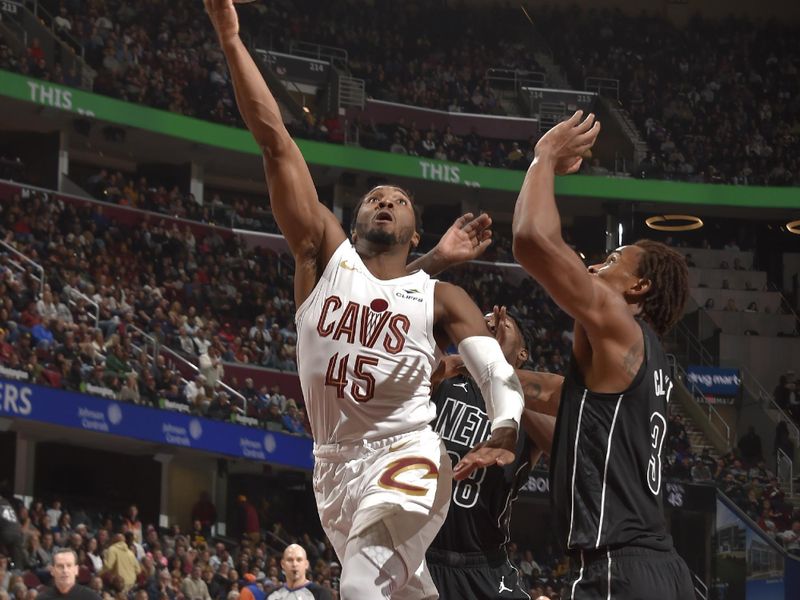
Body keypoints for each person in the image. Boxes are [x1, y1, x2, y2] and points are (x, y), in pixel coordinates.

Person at [204, 2, 524, 598]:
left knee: (358, 584)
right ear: (351, 221)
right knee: (401, 588)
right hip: (333, 465)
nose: (385, 202)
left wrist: (505, 425)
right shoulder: (321, 259)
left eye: (399, 200)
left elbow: (495, 370)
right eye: (375, 196)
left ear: (414, 231)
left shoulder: (441, 294)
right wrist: (231, 40)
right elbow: (275, 141)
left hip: (410, 452)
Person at [511, 111, 695, 599]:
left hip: (622, 567)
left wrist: (543, 157)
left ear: (639, 286)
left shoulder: (619, 324)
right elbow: (563, 401)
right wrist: (483, 373)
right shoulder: (647, 358)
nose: (595, 264)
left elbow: (532, 242)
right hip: (660, 567)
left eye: (613, 262)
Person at [426, 307, 561, 599]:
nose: (491, 325)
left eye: (503, 325)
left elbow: (563, 446)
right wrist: (472, 358)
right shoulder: (446, 378)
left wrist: (505, 382)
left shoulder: (530, 410)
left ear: (523, 353)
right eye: (485, 323)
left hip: (484, 565)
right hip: (419, 555)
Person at [266, 545, 331, 600]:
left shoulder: (320, 593)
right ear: (283, 564)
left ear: (306, 564)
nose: (294, 564)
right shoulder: (272, 595)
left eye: (299, 560)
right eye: (290, 560)